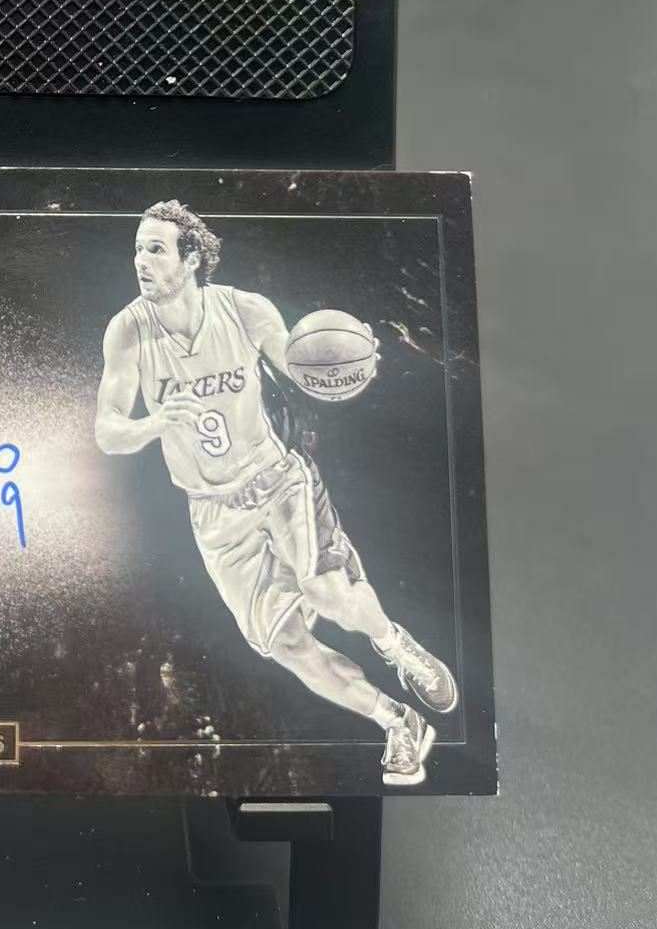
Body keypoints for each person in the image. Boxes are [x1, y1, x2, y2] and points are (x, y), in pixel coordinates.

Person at [94, 199, 457, 786]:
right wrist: (154, 423)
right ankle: (396, 720)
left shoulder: (243, 309)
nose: (141, 260)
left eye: (155, 249)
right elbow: (107, 430)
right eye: (138, 248)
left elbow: (305, 369)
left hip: (278, 482)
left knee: (327, 590)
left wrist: (356, 364)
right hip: (213, 512)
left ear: (191, 259)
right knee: (287, 644)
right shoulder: (128, 330)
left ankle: (396, 646)